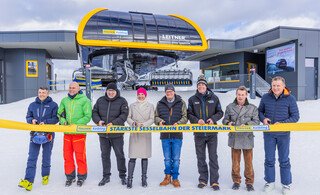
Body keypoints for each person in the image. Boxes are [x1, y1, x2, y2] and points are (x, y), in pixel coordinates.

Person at [258, 76, 299, 194]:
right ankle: (270, 182)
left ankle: (286, 184)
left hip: (283, 135)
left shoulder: (290, 98)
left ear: (283, 86)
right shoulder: (266, 97)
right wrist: (263, 119)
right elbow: (260, 111)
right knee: (269, 159)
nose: (275, 88)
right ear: (271, 86)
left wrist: (282, 124)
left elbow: (295, 116)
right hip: (269, 134)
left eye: (278, 85)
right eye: (274, 85)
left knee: (284, 160)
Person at [18, 87, 59, 191]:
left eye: (43, 93)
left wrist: (46, 122)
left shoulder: (53, 105)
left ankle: (45, 175)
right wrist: (31, 120)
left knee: (46, 156)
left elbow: (56, 118)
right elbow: (28, 117)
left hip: (48, 135)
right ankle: (28, 181)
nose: (41, 94)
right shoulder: (32, 105)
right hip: (35, 135)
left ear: (47, 93)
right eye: (40, 92)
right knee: (32, 157)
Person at [187, 75, 223, 191]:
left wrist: (213, 119)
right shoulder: (192, 99)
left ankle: (214, 181)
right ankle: (203, 179)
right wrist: (197, 121)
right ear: (197, 87)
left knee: (213, 157)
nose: (201, 86)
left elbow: (220, 112)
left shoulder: (214, 97)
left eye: (203, 84)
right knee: (200, 157)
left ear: (206, 86)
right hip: (199, 134)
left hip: (212, 134)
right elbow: (189, 114)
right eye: (199, 85)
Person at [222, 86, 260, 191]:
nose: (240, 96)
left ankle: (249, 182)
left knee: (248, 163)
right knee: (235, 162)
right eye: (239, 94)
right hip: (235, 138)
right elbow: (224, 120)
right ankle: (236, 181)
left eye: (242, 95)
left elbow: (257, 121)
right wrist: (228, 123)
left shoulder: (252, 108)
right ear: (236, 95)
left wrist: (247, 124)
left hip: (247, 137)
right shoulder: (230, 107)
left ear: (246, 95)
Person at [92, 82, 129, 186]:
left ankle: (123, 176)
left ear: (116, 91)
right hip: (103, 135)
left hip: (117, 134)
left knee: (120, 155)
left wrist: (113, 123)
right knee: (105, 155)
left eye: (113, 91)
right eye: (109, 91)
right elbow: (94, 112)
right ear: (106, 91)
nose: (111, 92)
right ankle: (106, 176)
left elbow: (124, 115)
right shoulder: (100, 101)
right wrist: (98, 121)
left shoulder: (122, 101)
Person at [58, 82, 92, 187]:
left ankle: (81, 177)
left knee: (80, 155)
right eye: (70, 87)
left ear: (78, 89)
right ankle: (70, 176)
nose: (71, 89)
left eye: (73, 88)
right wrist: (63, 121)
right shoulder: (64, 100)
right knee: (67, 155)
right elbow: (60, 113)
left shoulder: (85, 100)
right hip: (67, 133)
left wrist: (76, 125)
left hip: (79, 133)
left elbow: (87, 116)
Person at [155, 83, 188, 188]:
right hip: (165, 136)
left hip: (177, 135)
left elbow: (185, 117)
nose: (169, 93)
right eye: (167, 92)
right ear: (165, 93)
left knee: (176, 158)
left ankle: (175, 178)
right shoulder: (160, 103)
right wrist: (159, 121)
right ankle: (167, 177)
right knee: (167, 158)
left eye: (171, 91)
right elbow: (155, 116)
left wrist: (179, 123)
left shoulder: (181, 102)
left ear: (174, 92)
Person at [126, 87, 154, 188]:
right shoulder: (132, 106)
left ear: (145, 95)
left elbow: (152, 118)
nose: (141, 96)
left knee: (144, 156)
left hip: (145, 133)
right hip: (135, 133)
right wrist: (133, 123)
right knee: (132, 156)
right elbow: (128, 117)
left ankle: (144, 178)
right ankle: (129, 179)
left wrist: (144, 124)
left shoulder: (150, 106)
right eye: (139, 94)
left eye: (142, 94)